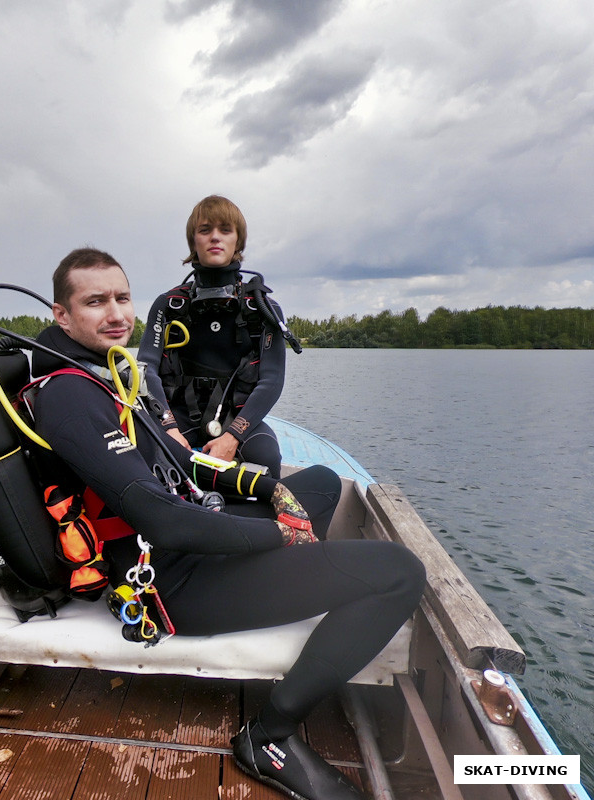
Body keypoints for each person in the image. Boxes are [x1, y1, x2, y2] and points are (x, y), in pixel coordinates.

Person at [32, 247, 426, 800]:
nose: (116, 313)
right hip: (169, 584)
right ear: (62, 315)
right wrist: (281, 534)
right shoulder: (69, 396)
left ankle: (289, 545)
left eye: (122, 297)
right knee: (399, 571)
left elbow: (178, 463)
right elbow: (165, 523)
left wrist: (270, 489)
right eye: (94, 302)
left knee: (317, 483)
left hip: (187, 539)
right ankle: (270, 736)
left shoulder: (103, 376)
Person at [138, 195, 287, 478]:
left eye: (225, 230)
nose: (215, 238)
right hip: (178, 417)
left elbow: (272, 381)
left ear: (238, 242)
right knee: (142, 450)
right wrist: (168, 427)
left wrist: (232, 437)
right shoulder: (169, 305)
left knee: (265, 459)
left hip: (236, 419)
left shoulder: (263, 309)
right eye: (205, 230)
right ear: (193, 241)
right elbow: (146, 370)